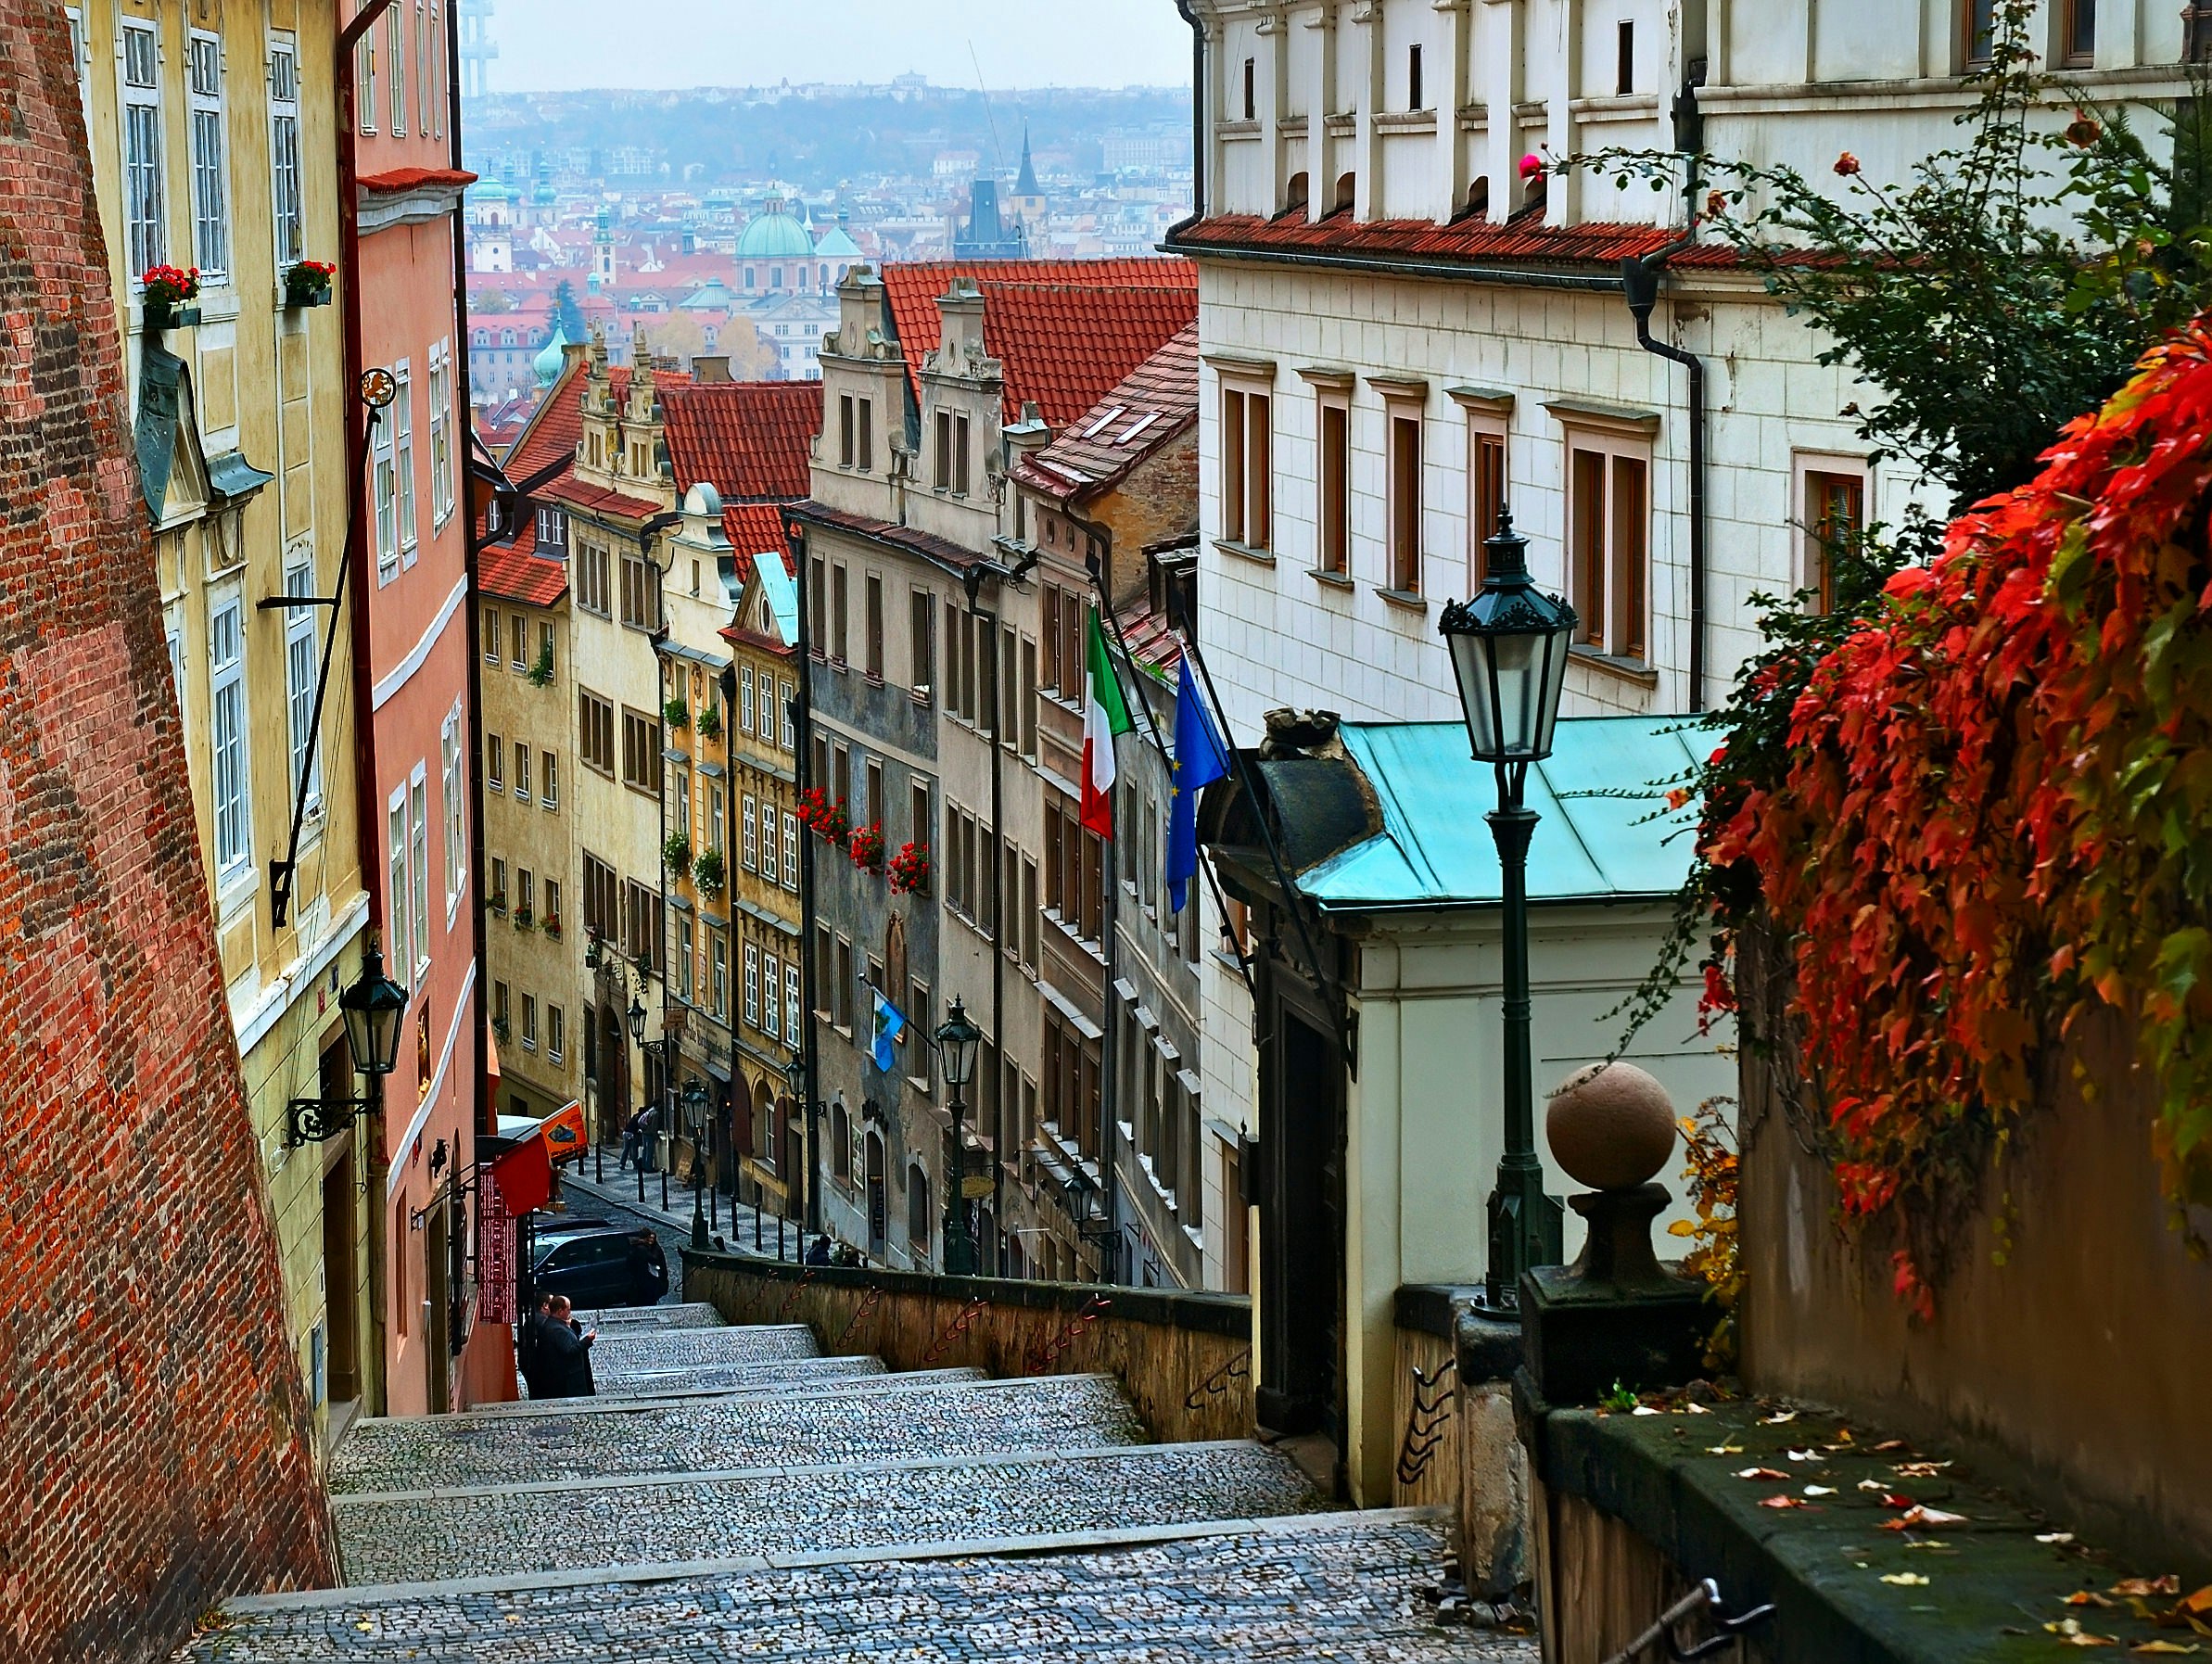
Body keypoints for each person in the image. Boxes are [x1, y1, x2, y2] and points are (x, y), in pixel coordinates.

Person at [535, 1295, 596, 1398]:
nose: (570, 1312)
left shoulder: (555, 1324)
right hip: (568, 1379)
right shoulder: (557, 1329)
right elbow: (570, 1350)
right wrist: (588, 1340)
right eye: (568, 1310)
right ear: (560, 1311)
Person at [516, 1291, 555, 1398]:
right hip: (536, 1364)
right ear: (545, 1305)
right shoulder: (543, 1321)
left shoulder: (535, 1318)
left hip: (530, 1363)